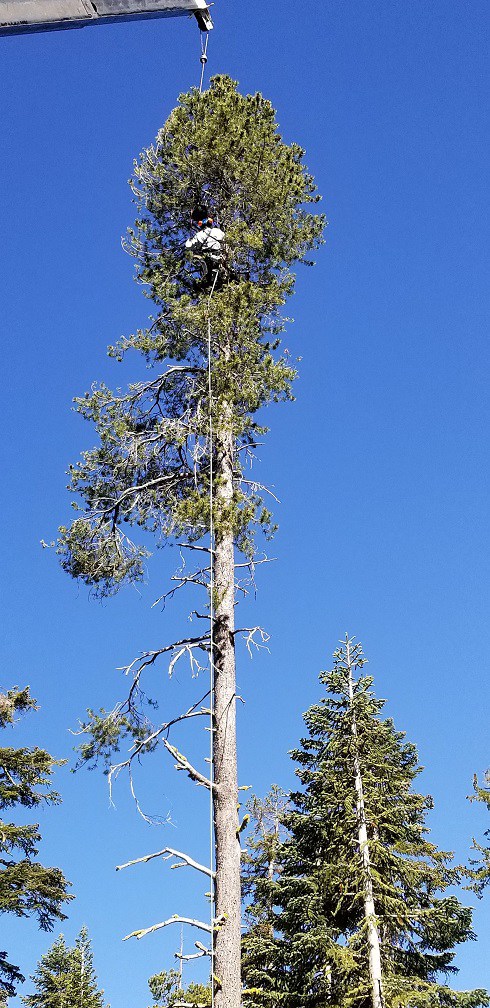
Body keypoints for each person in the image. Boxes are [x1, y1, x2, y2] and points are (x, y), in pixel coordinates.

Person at [185, 208, 225, 288]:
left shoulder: (200, 235)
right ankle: (217, 261)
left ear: (201, 225)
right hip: (219, 253)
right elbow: (224, 240)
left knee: (209, 281)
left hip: (208, 258)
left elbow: (188, 246)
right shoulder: (218, 231)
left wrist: (189, 239)